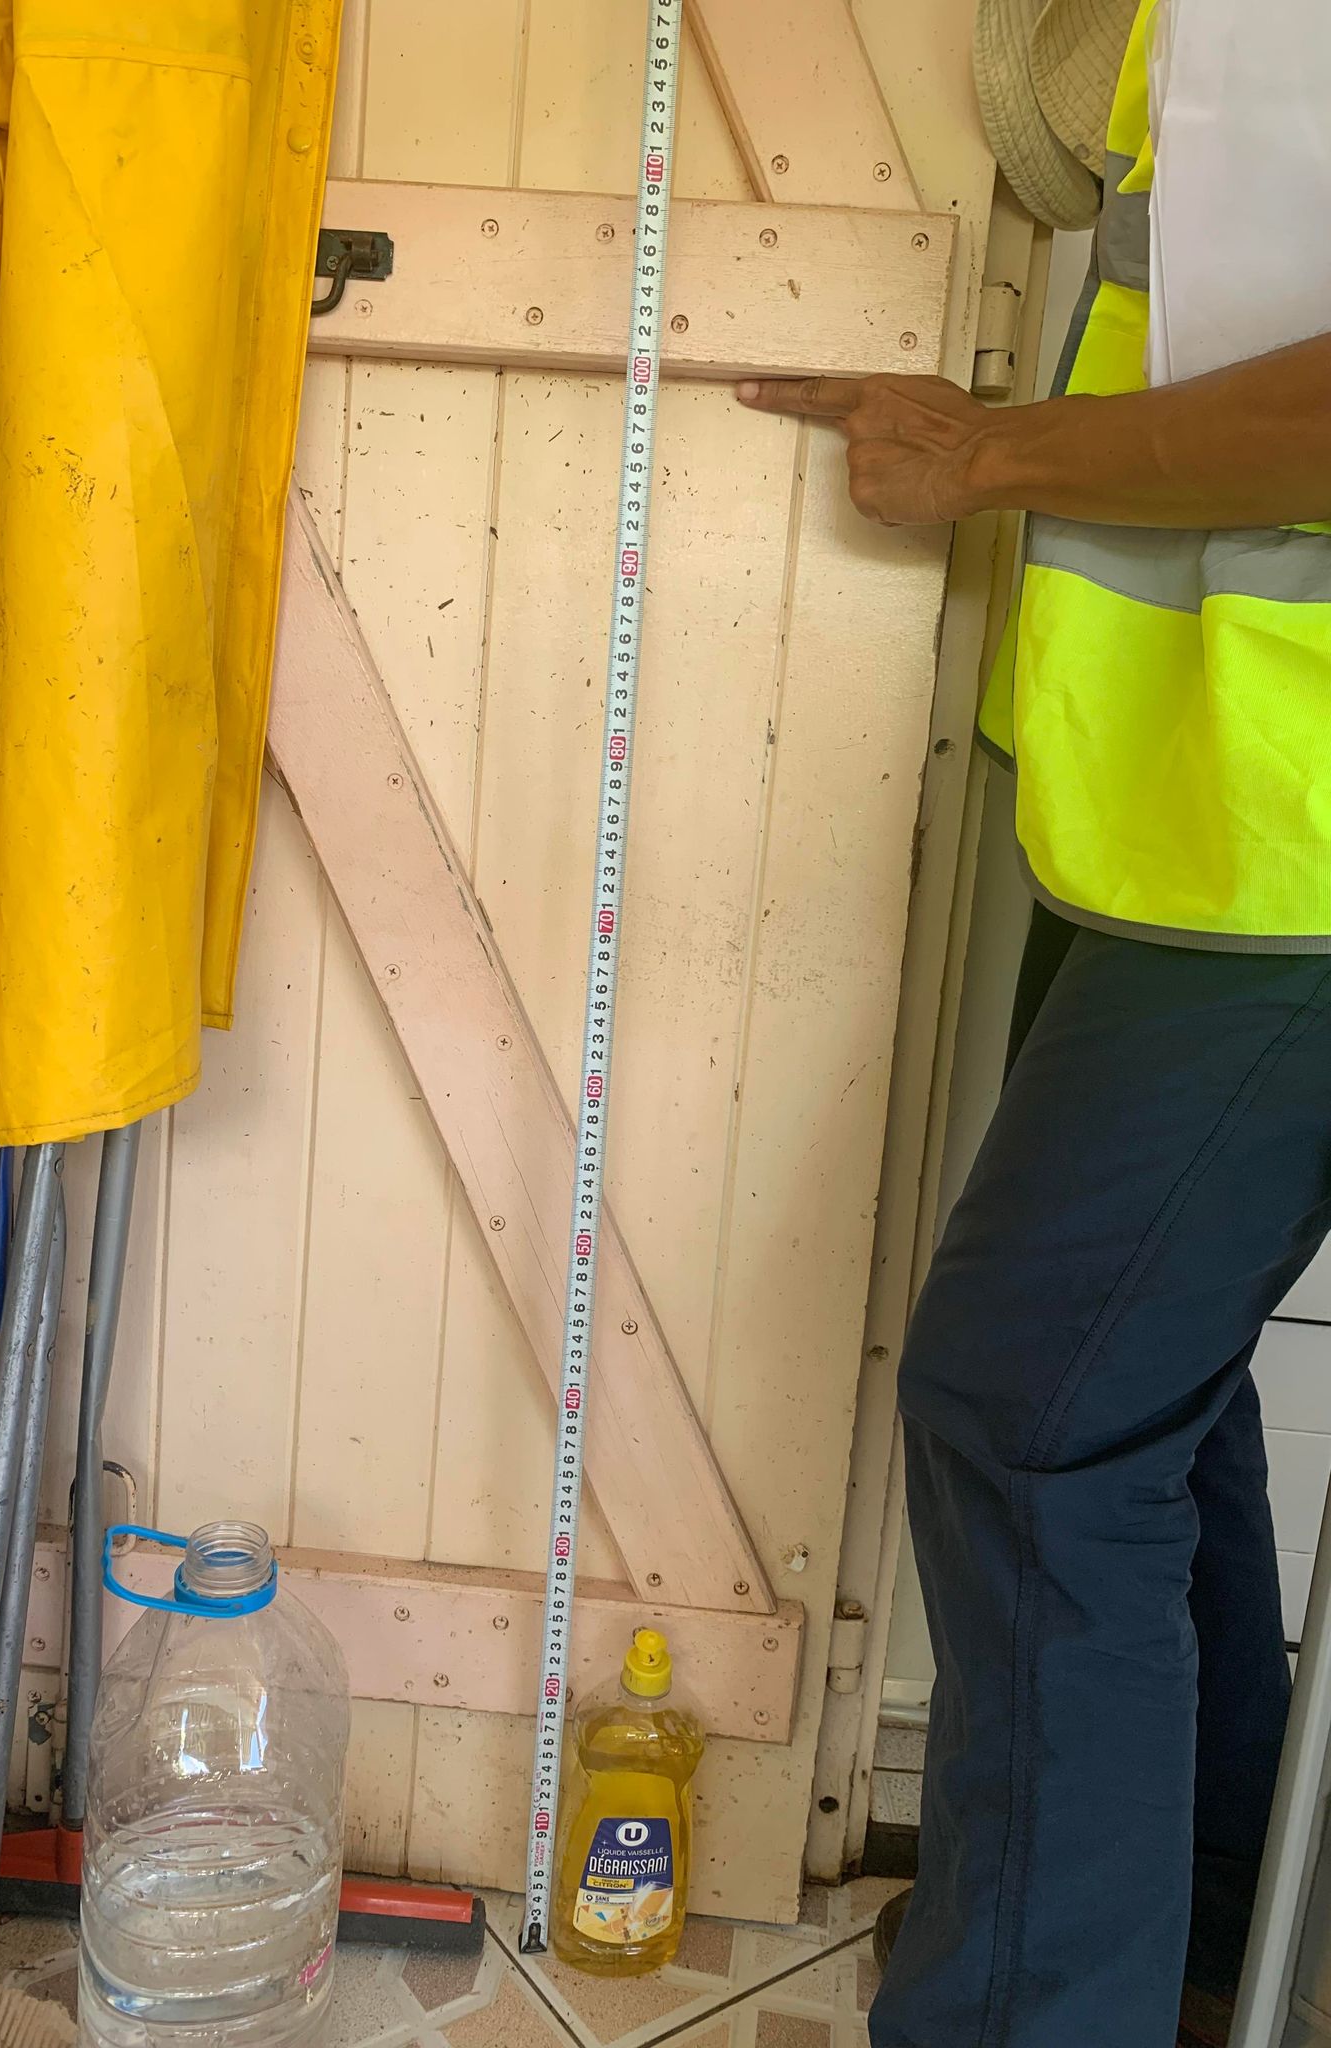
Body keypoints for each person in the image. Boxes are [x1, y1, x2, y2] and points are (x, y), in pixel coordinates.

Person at [738, 0, 1331, 2043]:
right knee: (1141, 1400)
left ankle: (1038, 2007)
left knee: (1032, 1417)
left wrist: (985, 453)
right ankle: (1200, 1939)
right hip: (1180, 824)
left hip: (1288, 848)